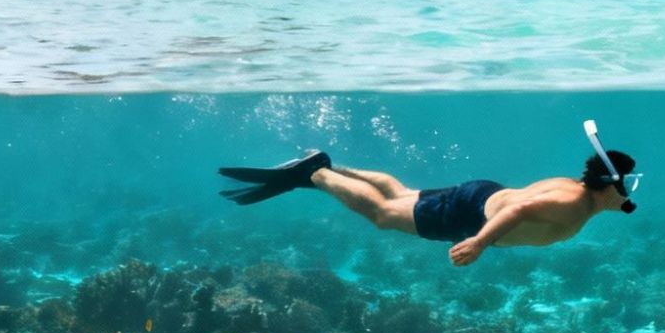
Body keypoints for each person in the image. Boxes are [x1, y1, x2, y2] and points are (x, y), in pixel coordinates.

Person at [218, 126, 638, 267]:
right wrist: (479, 242)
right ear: (611, 184)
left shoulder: (574, 184)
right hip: (473, 215)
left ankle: (326, 167)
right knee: (384, 213)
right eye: (628, 184)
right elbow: (522, 207)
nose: (629, 193)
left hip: (480, 193)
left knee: (400, 192)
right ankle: (317, 173)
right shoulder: (573, 204)